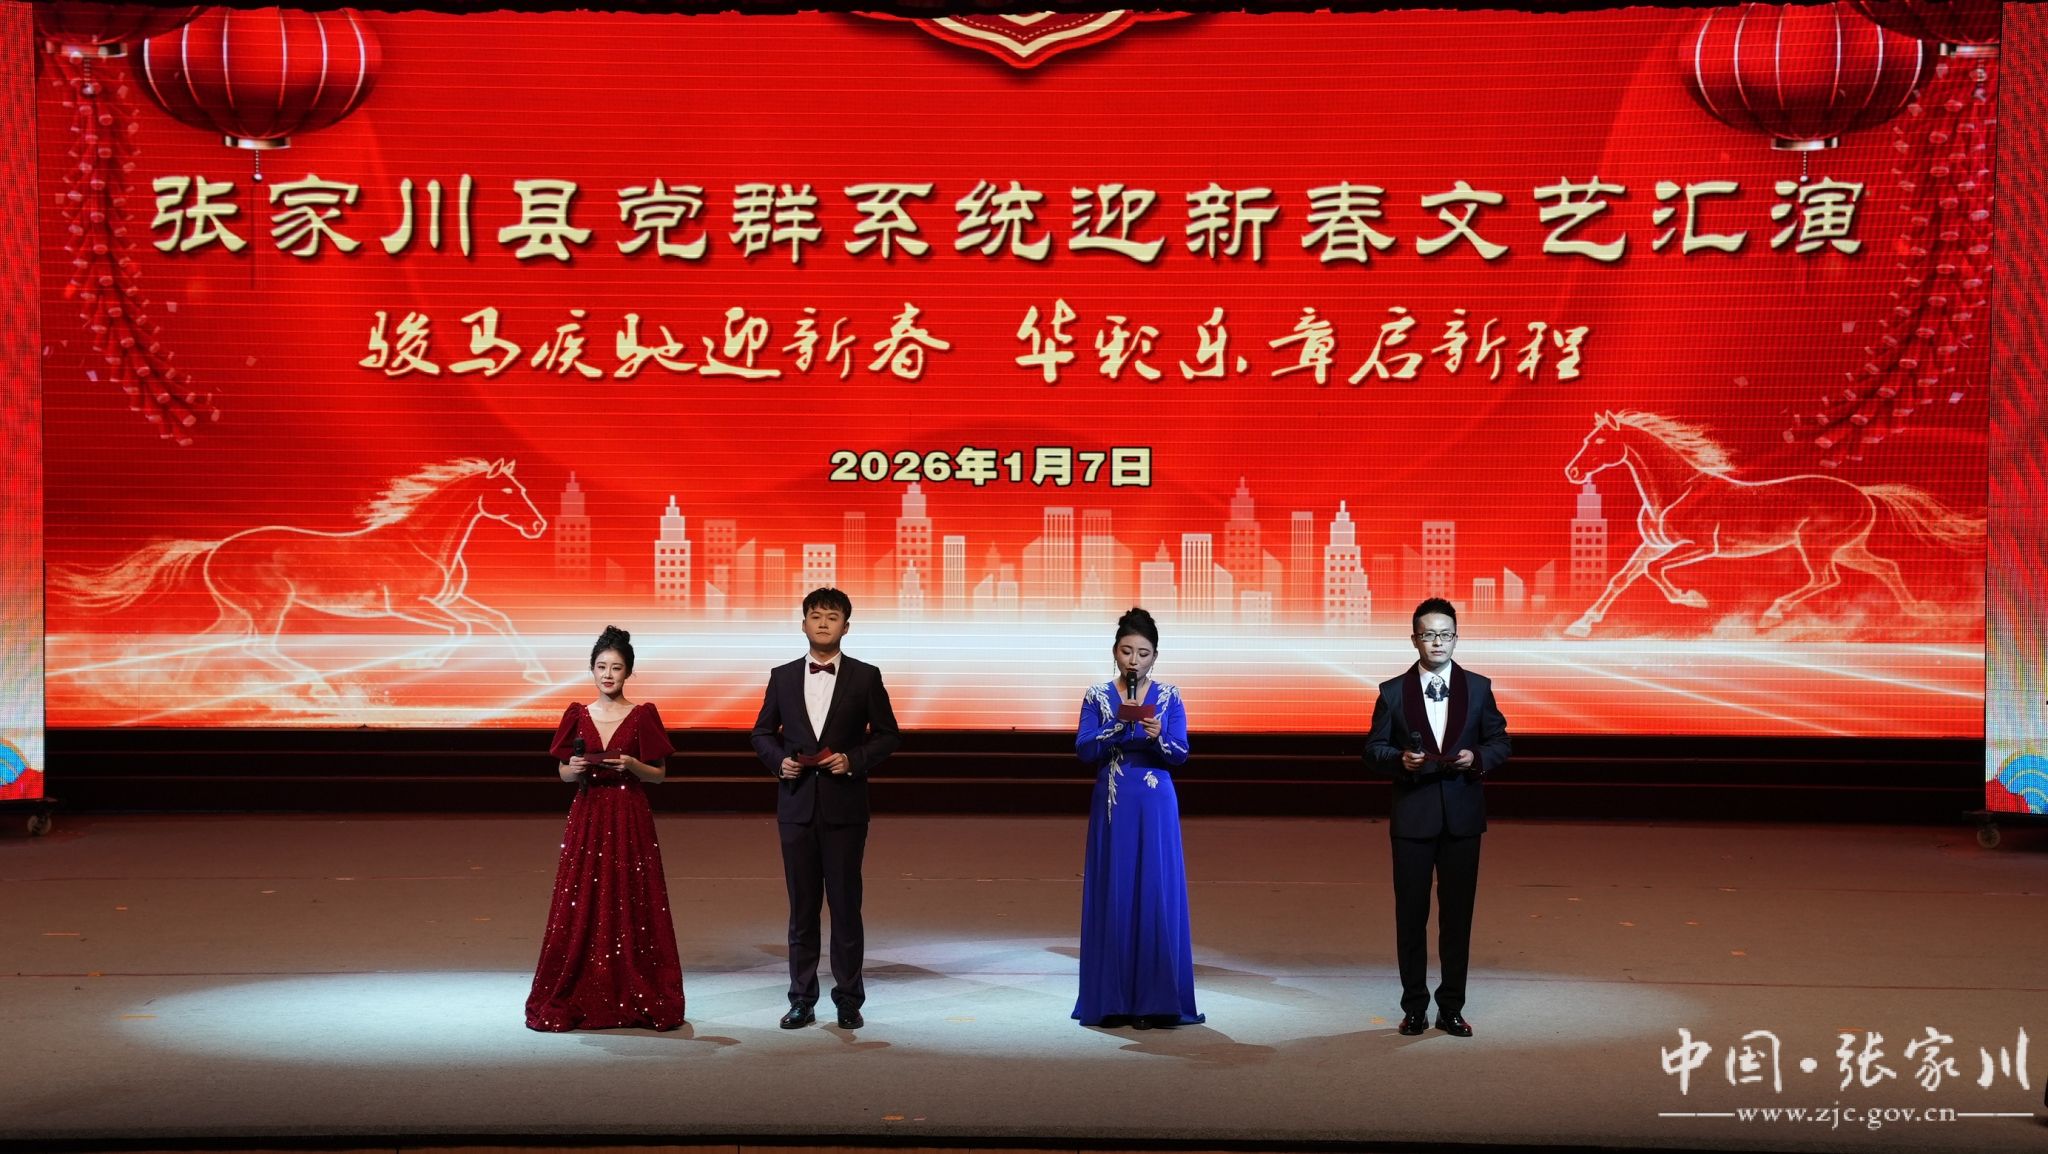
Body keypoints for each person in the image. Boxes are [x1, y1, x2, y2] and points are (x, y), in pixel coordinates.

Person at [750, 587, 900, 1030]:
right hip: (796, 806)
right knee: (802, 909)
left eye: (832, 617)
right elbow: (761, 733)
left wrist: (853, 759)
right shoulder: (781, 677)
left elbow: (888, 735)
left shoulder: (865, 677)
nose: (822, 623)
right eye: (815, 616)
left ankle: (849, 999)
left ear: (846, 627)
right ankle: (801, 999)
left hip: (845, 808)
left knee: (846, 907)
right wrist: (780, 761)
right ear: (803, 624)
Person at [1364, 597, 1510, 1038]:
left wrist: (1477, 757)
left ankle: (1451, 1008)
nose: (1437, 642)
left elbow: (1500, 742)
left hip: (1463, 818)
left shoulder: (1479, 688)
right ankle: (1414, 1008)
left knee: (1457, 918)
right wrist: (1399, 760)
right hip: (1412, 817)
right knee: (1411, 916)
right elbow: (1373, 749)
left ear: (1456, 638)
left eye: (1445, 634)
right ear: (1414, 640)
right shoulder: (1392, 691)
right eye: (1428, 635)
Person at [527, 626, 684, 1031]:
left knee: (632, 896)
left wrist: (632, 765)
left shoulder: (643, 715)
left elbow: (659, 776)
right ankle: (583, 985)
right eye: (601, 667)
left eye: (616, 667)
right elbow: (563, 773)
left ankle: (633, 986)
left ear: (628, 671)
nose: (608, 674)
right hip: (589, 813)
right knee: (581, 898)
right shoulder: (577, 715)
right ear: (592, 670)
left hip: (629, 813)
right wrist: (574, 768)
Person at [1072, 606, 1204, 1029]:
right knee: (1115, 890)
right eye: (1127, 651)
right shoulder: (1096, 696)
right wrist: (1117, 723)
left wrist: (1159, 735)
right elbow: (1084, 749)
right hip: (1113, 802)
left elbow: (1180, 754)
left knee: (1154, 891)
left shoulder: (1169, 697)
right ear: (1115, 652)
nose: (1134, 661)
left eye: (1143, 654)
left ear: (1154, 657)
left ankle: (1155, 1002)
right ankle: (1111, 1000)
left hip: (1154, 802)